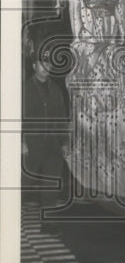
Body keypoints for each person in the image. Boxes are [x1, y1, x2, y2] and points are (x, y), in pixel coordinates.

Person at [22, 43, 70, 206]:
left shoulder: (56, 90)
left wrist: (64, 142)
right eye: (42, 63)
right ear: (35, 66)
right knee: (24, 181)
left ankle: (48, 221)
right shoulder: (24, 89)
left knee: (51, 183)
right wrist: (21, 142)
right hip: (32, 143)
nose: (46, 66)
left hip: (52, 144)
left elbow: (61, 118)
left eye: (49, 63)